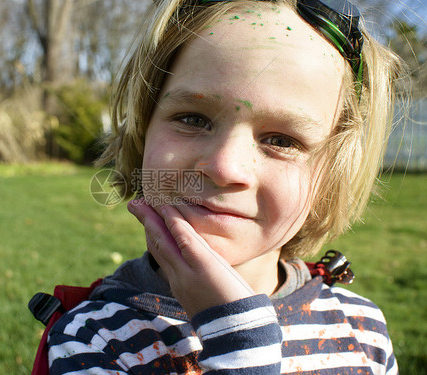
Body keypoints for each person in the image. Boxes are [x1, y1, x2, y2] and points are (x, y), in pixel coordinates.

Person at [46, 0, 406, 373]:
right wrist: (240, 341)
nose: (223, 167)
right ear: (144, 127)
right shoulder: (93, 339)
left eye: (282, 140)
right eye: (192, 118)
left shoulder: (363, 332)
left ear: (332, 173)